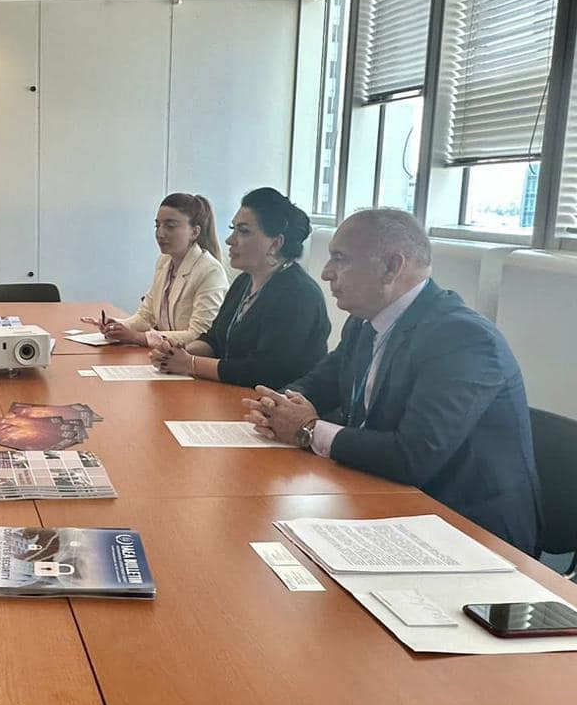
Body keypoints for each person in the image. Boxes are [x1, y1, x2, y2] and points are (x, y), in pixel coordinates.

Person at [242, 209, 541, 553]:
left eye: (340, 259)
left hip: (469, 530)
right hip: (387, 497)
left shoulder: (463, 338)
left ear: (391, 267)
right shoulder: (364, 322)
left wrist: (309, 429)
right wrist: (277, 405)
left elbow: (413, 456)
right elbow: (319, 382)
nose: (326, 273)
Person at [152, 187, 329, 387]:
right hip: (233, 393)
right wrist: (177, 353)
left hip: (274, 399)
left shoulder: (298, 294)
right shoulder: (244, 281)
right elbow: (214, 340)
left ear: (275, 243)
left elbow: (264, 371)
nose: (230, 240)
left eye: (243, 231)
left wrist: (190, 363)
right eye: (233, 229)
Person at [82, 193, 229, 350]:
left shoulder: (210, 271)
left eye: (170, 226)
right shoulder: (164, 262)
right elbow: (145, 316)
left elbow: (199, 335)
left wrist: (137, 337)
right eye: (157, 226)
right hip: (165, 355)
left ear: (194, 232)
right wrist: (118, 326)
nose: (160, 233)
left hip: (190, 360)